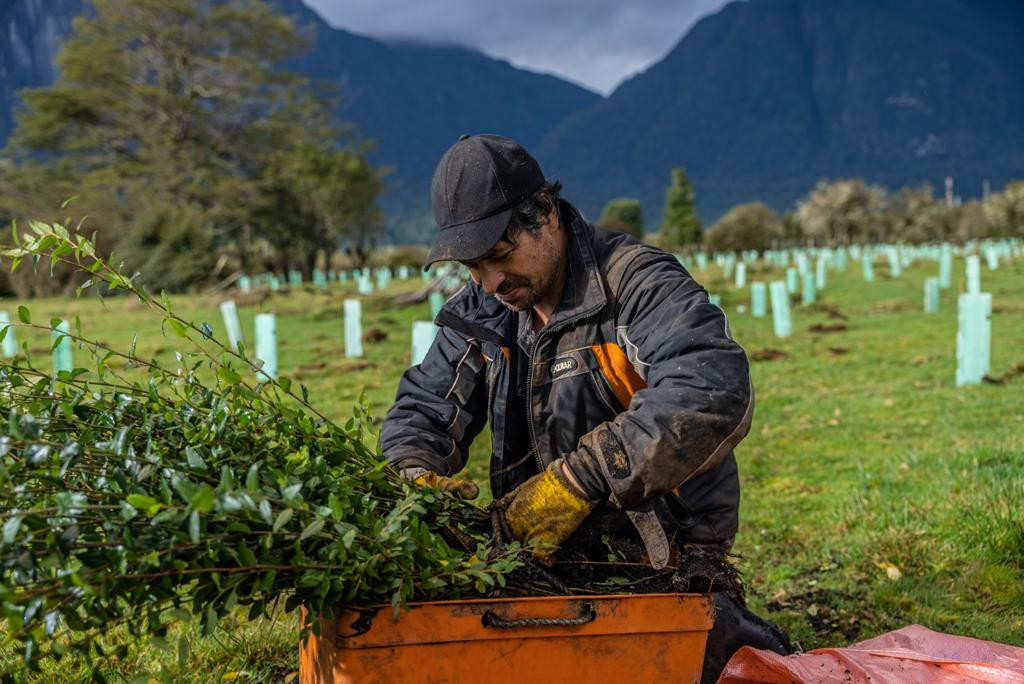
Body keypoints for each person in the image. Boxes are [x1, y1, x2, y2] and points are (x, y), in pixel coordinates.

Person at [380, 134, 789, 681]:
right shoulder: (481, 308)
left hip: (658, 550)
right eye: (474, 268)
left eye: (500, 257)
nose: (492, 283)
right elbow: (423, 409)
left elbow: (711, 389)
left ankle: (728, 625)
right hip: (529, 553)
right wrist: (415, 473)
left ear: (545, 214)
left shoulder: (637, 283)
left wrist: (582, 477)